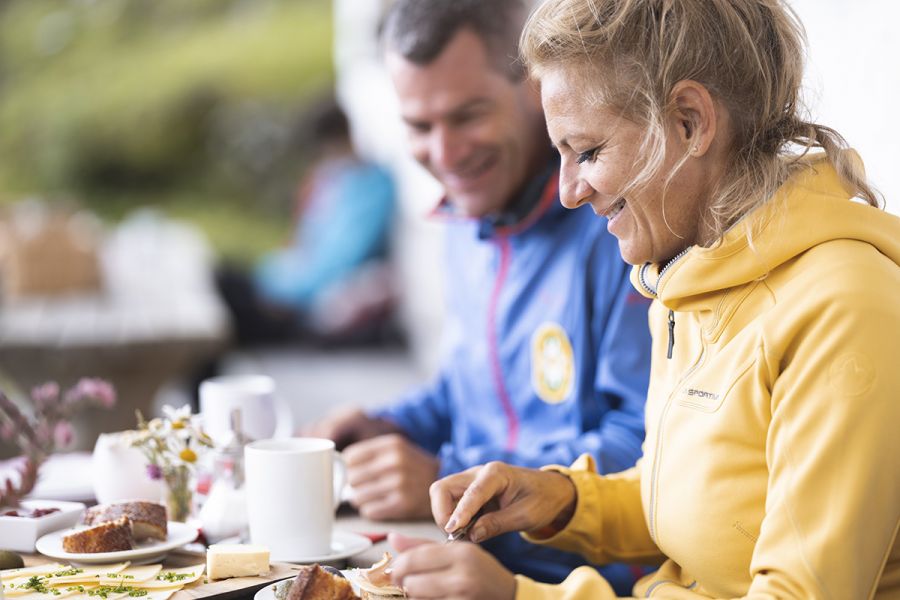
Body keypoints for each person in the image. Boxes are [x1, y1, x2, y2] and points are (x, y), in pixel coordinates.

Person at [383, 0, 900, 598]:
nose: (571, 192)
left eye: (589, 151)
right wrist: (563, 498)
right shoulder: (688, 280)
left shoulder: (844, 308)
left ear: (689, 121)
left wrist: (522, 596)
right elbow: (699, 503)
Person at [307, 0, 652, 589]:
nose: (444, 155)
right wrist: (384, 427)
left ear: (532, 86)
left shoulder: (617, 223)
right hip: (475, 562)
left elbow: (651, 452)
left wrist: (447, 473)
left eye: (467, 116)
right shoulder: (468, 220)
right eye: (418, 126)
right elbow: (467, 390)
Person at [216, 96, 397, 345]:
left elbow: (336, 264)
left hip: (300, 305)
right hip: (284, 285)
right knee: (220, 276)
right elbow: (305, 242)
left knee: (223, 289)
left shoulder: (372, 188)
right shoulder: (332, 180)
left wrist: (277, 286)